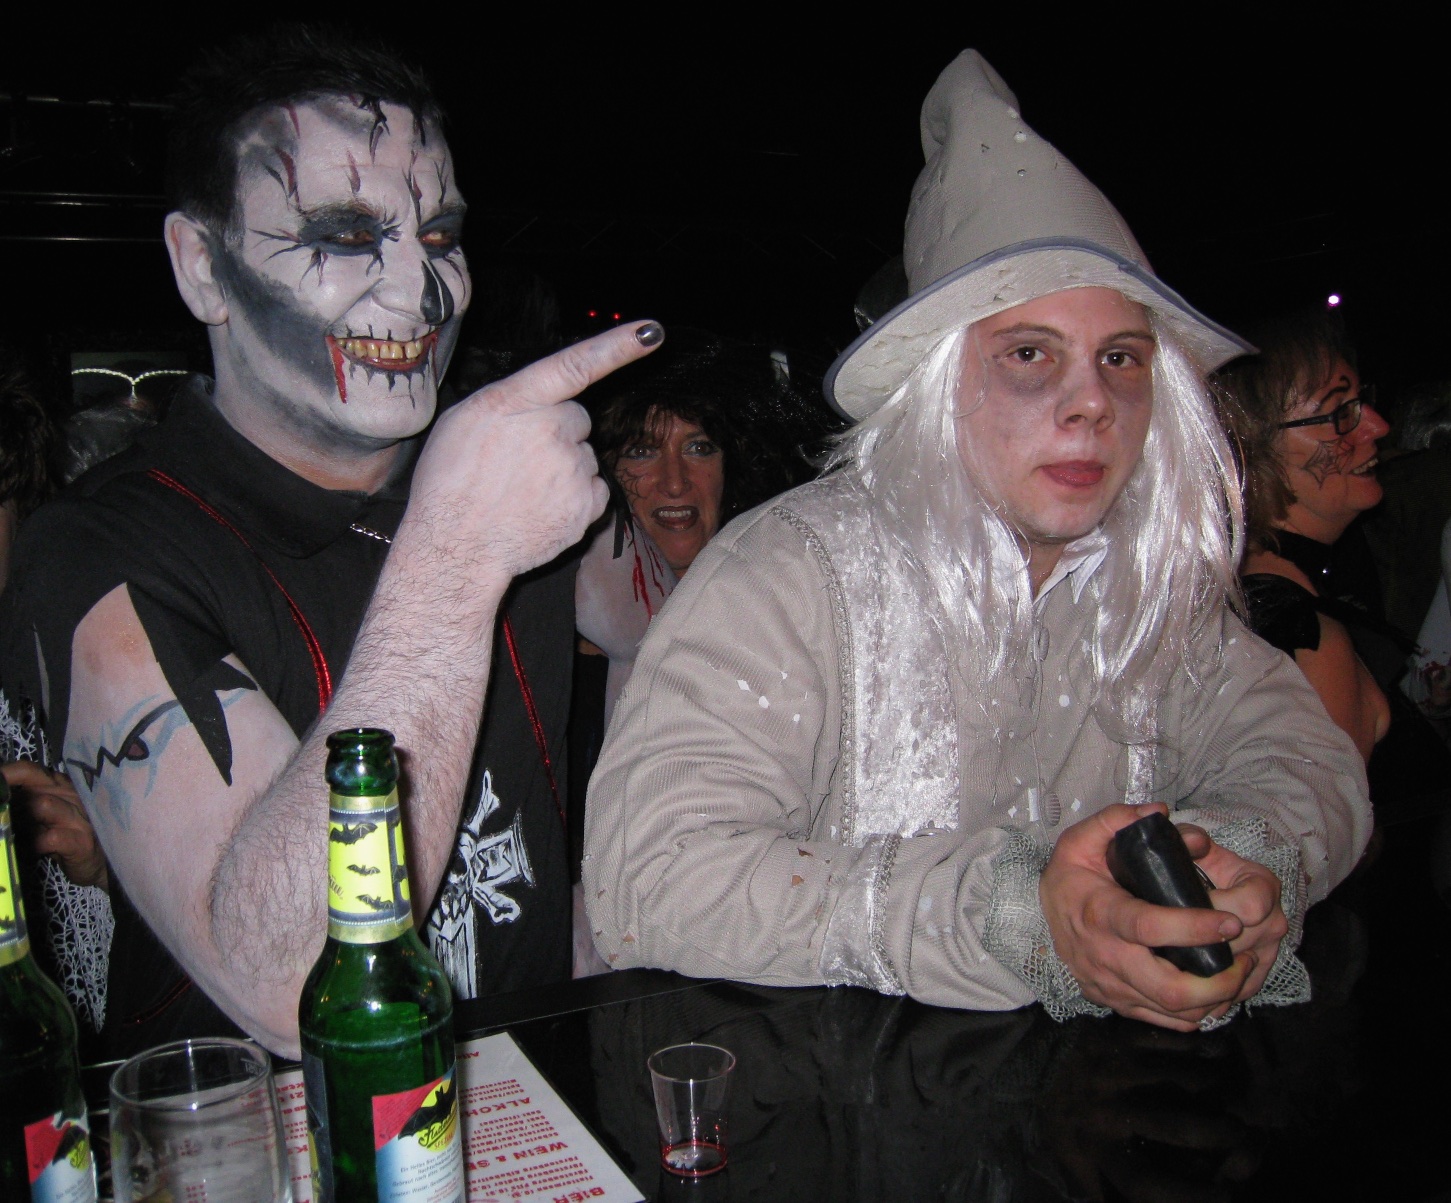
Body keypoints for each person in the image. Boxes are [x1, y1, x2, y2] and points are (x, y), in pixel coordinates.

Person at [585, 51, 1371, 1032]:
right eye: (1029, 354)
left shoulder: (1145, 584)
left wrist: (1228, 862)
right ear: (937, 383)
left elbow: (1305, 757)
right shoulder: (786, 575)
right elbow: (650, 880)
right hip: (839, 1102)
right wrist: (1013, 913)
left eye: (1120, 358)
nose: (1090, 403)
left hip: (1098, 1104)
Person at [0, 27, 658, 1059]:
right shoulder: (100, 549)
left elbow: (655, 636)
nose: (416, 290)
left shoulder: (505, 474)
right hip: (268, 1130)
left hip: (529, 1108)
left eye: (438, 234)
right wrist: (457, 552)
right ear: (203, 266)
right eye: (345, 235)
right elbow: (299, 982)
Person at [1213, 310, 1392, 762]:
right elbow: (1327, 805)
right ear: (1254, 449)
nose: (1377, 426)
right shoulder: (1296, 628)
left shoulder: (1265, 596)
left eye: (1361, 401)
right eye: (1340, 413)